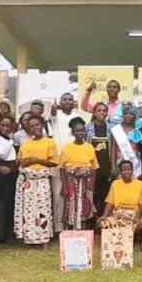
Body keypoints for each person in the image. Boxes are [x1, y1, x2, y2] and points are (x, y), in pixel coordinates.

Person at [15, 116, 58, 247]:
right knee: (28, 210)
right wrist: (24, 162)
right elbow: (20, 161)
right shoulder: (26, 143)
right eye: (32, 126)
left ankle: (44, 239)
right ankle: (29, 238)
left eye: (37, 125)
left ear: (42, 125)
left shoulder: (49, 142)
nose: (35, 128)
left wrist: (37, 160)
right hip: (28, 180)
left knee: (42, 209)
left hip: (41, 180)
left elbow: (54, 162)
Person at [50, 92, 86, 234]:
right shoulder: (55, 116)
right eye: (64, 99)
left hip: (75, 163)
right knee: (58, 194)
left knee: (75, 196)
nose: (67, 102)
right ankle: (58, 228)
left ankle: (74, 225)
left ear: (74, 102)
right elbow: (52, 117)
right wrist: (53, 111)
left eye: (70, 100)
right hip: (58, 162)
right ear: (60, 101)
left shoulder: (78, 117)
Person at [60, 117, 99, 230]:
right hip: (71, 181)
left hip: (86, 181)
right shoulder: (67, 147)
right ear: (73, 132)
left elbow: (94, 167)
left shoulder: (89, 147)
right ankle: (69, 229)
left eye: (82, 130)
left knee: (86, 205)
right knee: (71, 204)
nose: (81, 133)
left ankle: (83, 230)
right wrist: (64, 185)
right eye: (78, 131)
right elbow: (62, 168)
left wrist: (92, 185)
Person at [0, 116, 18, 246]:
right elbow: (1, 153)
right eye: (3, 125)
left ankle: (7, 234)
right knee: (0, 205)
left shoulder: (6, 139)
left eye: (8, 126)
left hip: (10, 173)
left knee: (8, 204)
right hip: (1, 173)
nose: (5, 128)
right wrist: (11, 140)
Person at [100, 160, 142, 229]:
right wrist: (105, 215)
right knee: (103, 223)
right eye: (123, 170)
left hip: (133, 214)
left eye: (129, 170)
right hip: (118, 213)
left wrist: (137, 216)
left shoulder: (140, 184)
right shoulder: (115, 184)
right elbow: (110, 202)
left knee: (138, 225)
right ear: (120, 172)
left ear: (132, 171)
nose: (126, 172)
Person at [87, 103, 113, 215]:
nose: (102, 113)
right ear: (94, 113)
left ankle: (103, 219)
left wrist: (113, 166)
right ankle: (92, 220)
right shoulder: (88, 127)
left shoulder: (111, 128)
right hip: (92, 166)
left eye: (104, 111)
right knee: (93, 194)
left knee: (105, 194)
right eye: (99, 110)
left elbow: (113, 147)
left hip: (106, 165)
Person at [110, 104, 142, 176]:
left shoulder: (138, 129)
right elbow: (113, 148)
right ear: (122, 115)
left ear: (135, 116)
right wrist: (113, 166)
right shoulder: (116, 129)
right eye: (126, 114)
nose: (128, 116)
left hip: (136, 161)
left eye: (131, 114)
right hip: (120, 160)